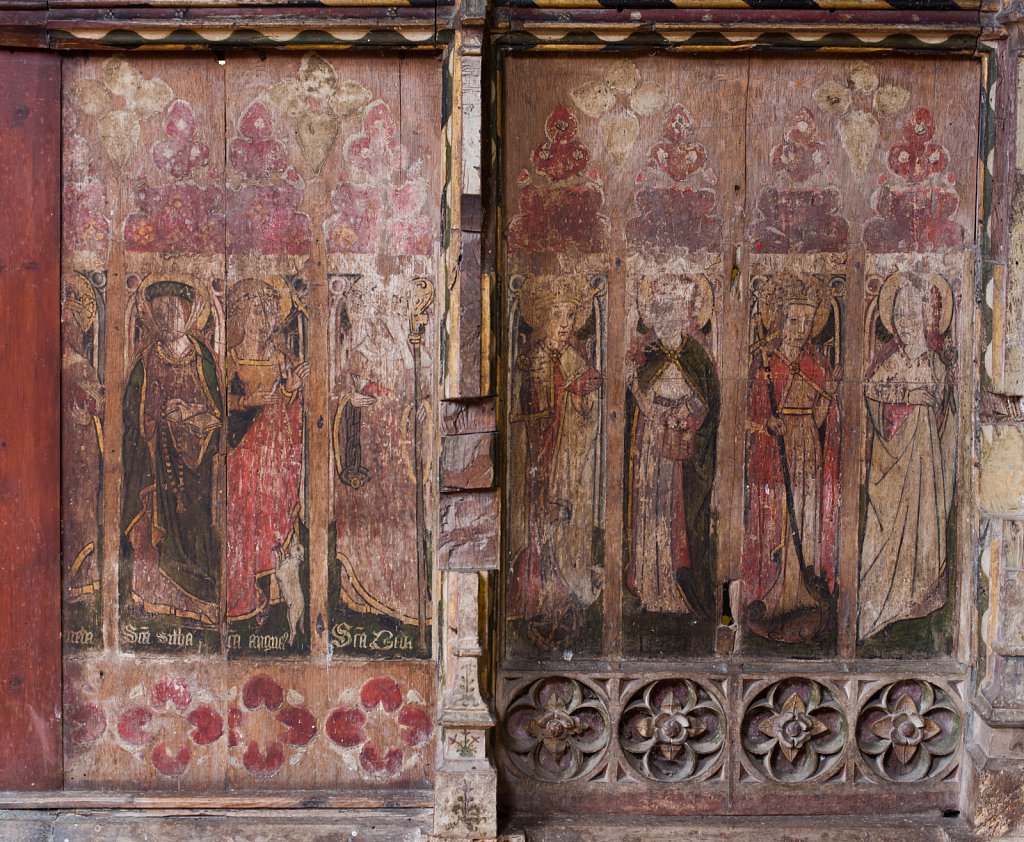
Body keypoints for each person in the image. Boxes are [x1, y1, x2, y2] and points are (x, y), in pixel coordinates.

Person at [742, 275, 841, 643]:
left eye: (806, 320)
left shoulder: (814, 363)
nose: (800, 328)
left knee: (803, 517)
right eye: (794, 319)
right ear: (781, 319)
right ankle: (771, 590)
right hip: (774, 451)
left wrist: (828, 395)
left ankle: (799, 591)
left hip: (805, 451)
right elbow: (746, 421)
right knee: (776, 520)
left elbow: (816, 421)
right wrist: (766, 424)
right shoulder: (766, 361)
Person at [507, 274, 603, 649]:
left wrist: (582, 397)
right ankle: (537, 599)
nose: (564, 326)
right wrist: (566, 389)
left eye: (570, 318)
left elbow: (588, 410)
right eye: (558, 318)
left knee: (565, 529)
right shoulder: (530, 358)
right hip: (538, 456)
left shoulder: (575, 356)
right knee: (538, 527)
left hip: (568, 460)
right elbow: (527, 409)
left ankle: (565, 598)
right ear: (543, 320)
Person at [858, 271, 955, 640]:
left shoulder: (936, 365)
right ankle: (883, 606)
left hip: (925, 466)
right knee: (885, 534)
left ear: (926, 319)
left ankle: (917, 597)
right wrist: (905, 398)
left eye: (912, 314)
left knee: (924, 529)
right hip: (892, 467)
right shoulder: (889, 362)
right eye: (899, 315)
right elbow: (870, 395)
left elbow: (949, 411)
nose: (906, 323)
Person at [121, 277, 222, 625]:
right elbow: (131, 415)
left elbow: (219, 413)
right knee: (154, 533)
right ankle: (155, 597)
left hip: (197, 467)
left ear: (189, 314)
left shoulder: (203, 358)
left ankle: (200, 600)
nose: (168, 319)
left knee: (196, 534)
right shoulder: (146, 361)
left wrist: (191, 415)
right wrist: (158, 420)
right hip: (157, 462)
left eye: (174, 311)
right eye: (160, 312)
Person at [625, 275, 718, 619]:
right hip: (651, 443)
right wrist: (648, 404)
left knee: (676, 512)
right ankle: (650, 585)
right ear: (653, 316)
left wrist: (688, 414)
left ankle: (676, 588)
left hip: (681, 447)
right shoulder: (647, 355)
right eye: (661, 311)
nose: (667, 318)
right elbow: (637, 396)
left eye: (674, 311)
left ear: (687, 315)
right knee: (650, 510)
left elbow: (709, 401)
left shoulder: (696, 355)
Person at [225, 277, 307, 625]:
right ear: (242, 316)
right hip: (241, 456)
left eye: (269, 312)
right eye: (256, 311)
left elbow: (293, 406)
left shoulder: (281, 357)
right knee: (242, 521)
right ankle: (244, 595)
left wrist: (290, 391)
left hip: (275, 457)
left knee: (275, 522)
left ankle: (274, 596)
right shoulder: (229, 359)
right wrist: (248, 401)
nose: (263, 319)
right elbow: (217, 405)